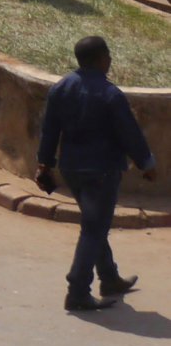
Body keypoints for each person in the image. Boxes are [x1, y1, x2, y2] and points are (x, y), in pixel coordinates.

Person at [37, 36, 157, 312]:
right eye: (108, 56)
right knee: (94, 228)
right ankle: (78, 290)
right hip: (101, 171)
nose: (111, 61)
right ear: (100, 59)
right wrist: (146, 164)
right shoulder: (110, 94)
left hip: (72, 170)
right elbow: (130, 134)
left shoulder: (61, 88)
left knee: (95, 224)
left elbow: (49, 131)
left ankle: (110, 277)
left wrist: (44, 163)